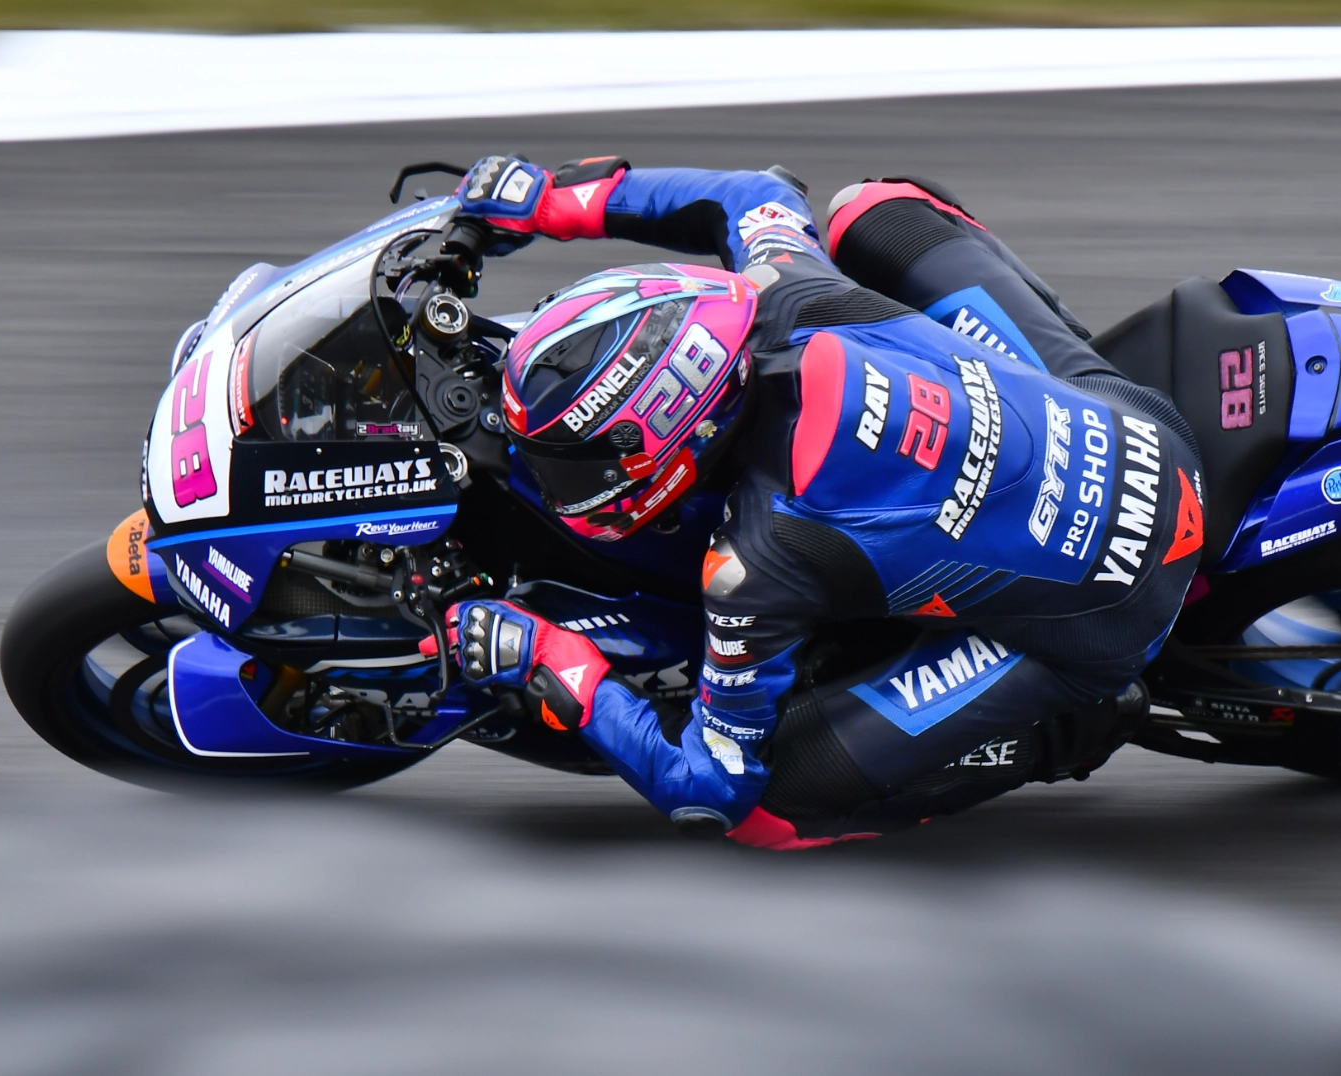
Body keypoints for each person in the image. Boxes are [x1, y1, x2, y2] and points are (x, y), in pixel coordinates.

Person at [446, 154, 1205, 848]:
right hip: (1142, 430)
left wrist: (554, 662)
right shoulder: (785, 285)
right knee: (875, 207)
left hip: (1109, 612)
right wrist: (553, 200)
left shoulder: (757, 562)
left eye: (573, 465)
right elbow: (751, 194)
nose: (551, 478)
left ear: (682, 431)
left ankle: (1067, 729)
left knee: (769, 814)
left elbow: (709, 785)